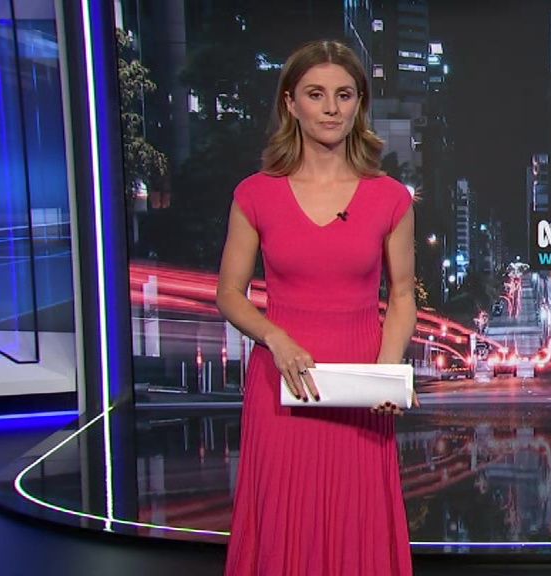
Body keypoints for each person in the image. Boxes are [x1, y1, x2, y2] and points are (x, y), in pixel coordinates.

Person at [216, 39, 416, 575]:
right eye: (316, 94)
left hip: (360, 386)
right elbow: (229, 292)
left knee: (357, 521)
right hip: (282, 382)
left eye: (344, 95)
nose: (331, 108)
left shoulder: (391, 198)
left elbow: (401, 295)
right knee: (285, 522)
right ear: (290, 102)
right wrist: (275, 338)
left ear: (359, 104)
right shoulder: (255, 194)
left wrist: (386, 369)